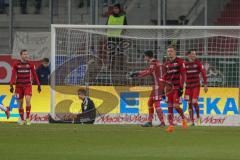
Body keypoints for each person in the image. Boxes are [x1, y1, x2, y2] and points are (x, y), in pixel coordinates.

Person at [128, 50, 165, 127]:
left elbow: (148, 72)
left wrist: (136, 74)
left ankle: (162, 122)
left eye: (145, 56)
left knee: (157, 104)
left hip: (158, 86)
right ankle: (150, 122)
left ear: (148, 56)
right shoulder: (157, 62)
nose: (144, 58)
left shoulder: (153, 63)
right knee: (150, 102)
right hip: (158, 85)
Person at [9, 49, 41, 125]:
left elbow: (35, 75)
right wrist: (11, 85)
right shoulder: (16, 64)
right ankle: (22, 119)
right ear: (21, 55)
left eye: (26, 54)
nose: (26, 55)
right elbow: (13, 75)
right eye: (24, 54)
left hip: (28, 85)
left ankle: (28, 119)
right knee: (20, 103)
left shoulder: (30, 64)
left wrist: (38, 85)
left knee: (27, 99)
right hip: (18, 86)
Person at [163, 45, 187, 133]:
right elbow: (165, 76)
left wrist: (182, 87)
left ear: (175, 52)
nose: (170, 52)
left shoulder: (180, 62)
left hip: (177, 87)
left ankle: (184, 119)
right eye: (168, 51)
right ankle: (170, 125)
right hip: (168, 88)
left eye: (171, 51)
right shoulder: (166, 64)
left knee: (176, 106)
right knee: (169, 106)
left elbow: (183, 74)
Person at [184, 49, 208, 126]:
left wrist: (205, 84)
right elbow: (181, 74)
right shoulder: (185, 64)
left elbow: (203, 73)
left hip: (196, 86)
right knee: (189, 103)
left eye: (195, 54)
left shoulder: (198, 63)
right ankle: (191, 121)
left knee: (194, 101)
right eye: (193, 54)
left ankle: (198, 117)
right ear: (188, 55)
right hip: (188, 87)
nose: (194, 55)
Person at [106, 3, 128, 84]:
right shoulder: (110, 16)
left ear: (119, 9)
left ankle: (121, 67)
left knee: (121, 52)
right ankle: (111, 66)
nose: (115, 10)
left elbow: (126, 27)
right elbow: (106, 26)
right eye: (114, 8)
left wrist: (122, 32)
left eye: (116, 8)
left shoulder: (123, 17)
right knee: (111, 53)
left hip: (119, 37)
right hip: (111, 37)